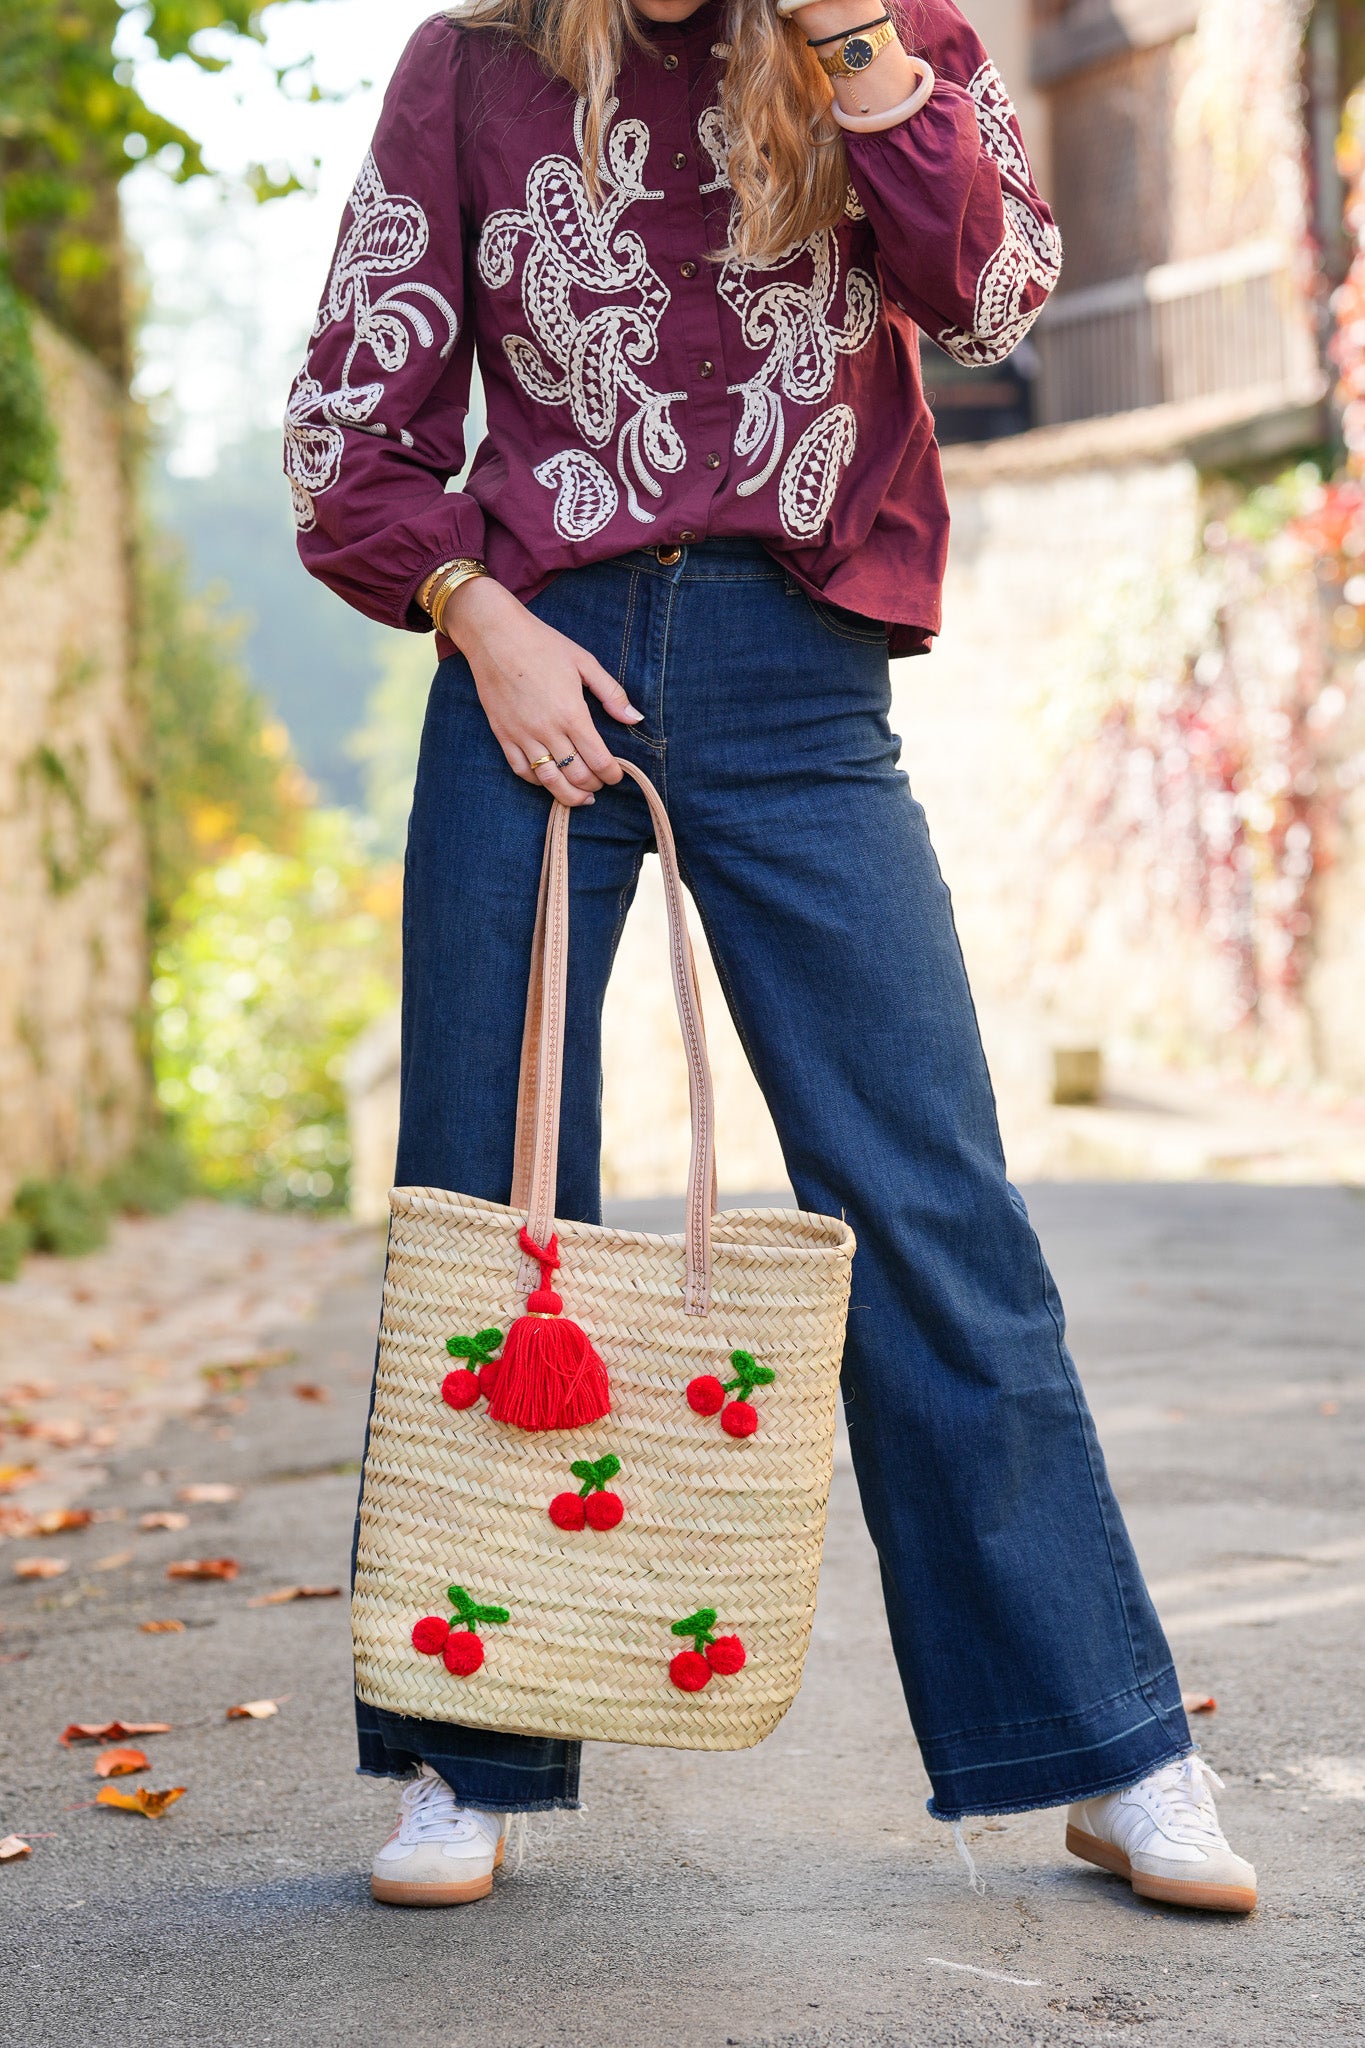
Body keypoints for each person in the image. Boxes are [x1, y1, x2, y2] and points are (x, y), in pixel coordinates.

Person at [285, 0, 1257, 1917]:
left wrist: (855, 49)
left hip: (799, 681)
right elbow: (352, 428)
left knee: (926, 1208)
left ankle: (1109, 1748)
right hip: (530, 663)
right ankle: (459, 1755)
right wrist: (480, 621)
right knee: (494, 1191)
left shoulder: (891, 45)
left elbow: (991, 301)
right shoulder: (468, 71)